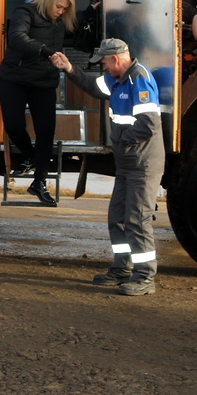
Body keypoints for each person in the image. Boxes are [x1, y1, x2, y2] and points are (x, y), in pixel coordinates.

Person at [50, 38, 164, 295]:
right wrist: (70, 69)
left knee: (137, 219)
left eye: (103, 62)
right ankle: (122, 268)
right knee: (118, 218)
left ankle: (145, 276)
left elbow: (149, 125)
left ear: (115, 59)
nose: (102, 68)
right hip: (127, 162)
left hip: (143, 163)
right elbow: (94, 86)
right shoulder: (116, 79)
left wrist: (121, 141)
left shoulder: (139, 80)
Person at [0, 0, 76, 205]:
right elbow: (17, 37)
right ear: (49, 0)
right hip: (15, 78)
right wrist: (45, 51)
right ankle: (30, 157)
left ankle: (39, 182)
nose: (61, 12)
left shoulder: (60, 21)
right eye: (59, 7)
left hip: (43, 81)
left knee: (46, 131)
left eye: (64, 9)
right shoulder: (25, 12)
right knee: (13, 124)